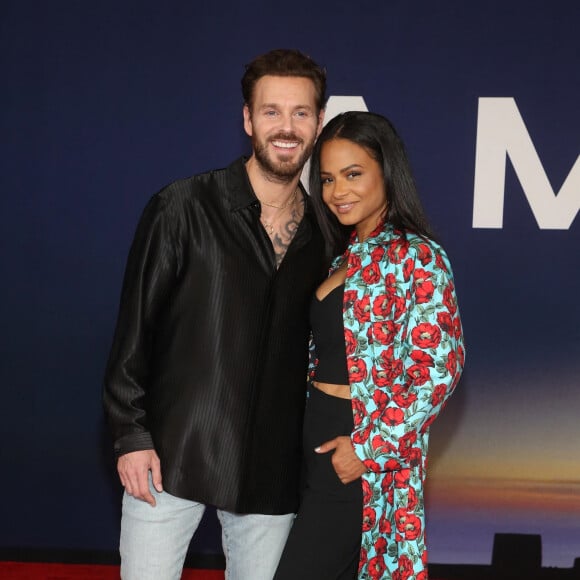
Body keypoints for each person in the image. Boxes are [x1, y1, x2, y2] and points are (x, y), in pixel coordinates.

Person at [103, 48, 329, 580]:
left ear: (319, 122)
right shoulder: (182, 207)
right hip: (170, 456)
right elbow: (134, 331)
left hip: (271, 475)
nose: (287, 127)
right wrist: (131, 436)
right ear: (247, 119)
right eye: (272, 111)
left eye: (301, 113)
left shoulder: (327, 233)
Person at [274, 111, 465, 580]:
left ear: (387, 171)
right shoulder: (344, 254)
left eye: (353, 174)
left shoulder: (417, 255)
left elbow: (440, 367)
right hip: (317, 447)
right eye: (327, 179)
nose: (338, 192)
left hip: (358, 455)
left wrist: (368, 447)